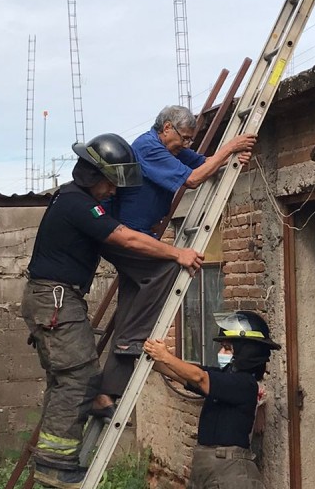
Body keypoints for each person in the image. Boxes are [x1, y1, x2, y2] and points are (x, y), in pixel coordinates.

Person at [21, 132, 204, 489]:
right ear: (93, 176)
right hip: (55, 300)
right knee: (76, 379)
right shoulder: (78, 204)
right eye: (110, 184)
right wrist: (176, 253)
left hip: (56, 299)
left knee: (71, 378)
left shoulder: (73, 199)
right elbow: (125, 238)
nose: (114, 192)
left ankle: (90, 412)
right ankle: (55, 466)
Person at [97, 105, 256, 404]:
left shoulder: (172, 150)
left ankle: (108, 392)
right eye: (183, 138)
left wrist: (230, 161)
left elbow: (205, 164)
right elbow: (194, 179)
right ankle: (131, 340)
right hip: (126, 237)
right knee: (171, 266)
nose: (186, 145)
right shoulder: (149, 146)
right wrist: (231, 147)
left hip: (143, 236)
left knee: (131, 310)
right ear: (166, 128)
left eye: (189, 141)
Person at [143, 311, 281, 489]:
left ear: (246, 351)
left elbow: (199, 377)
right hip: (208, 465)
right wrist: (149, 356)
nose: (221, 352)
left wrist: (166, 356)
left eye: (227, 348)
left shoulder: (244, 384)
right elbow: (185, 376)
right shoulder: (224, 376)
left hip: (230, 470)